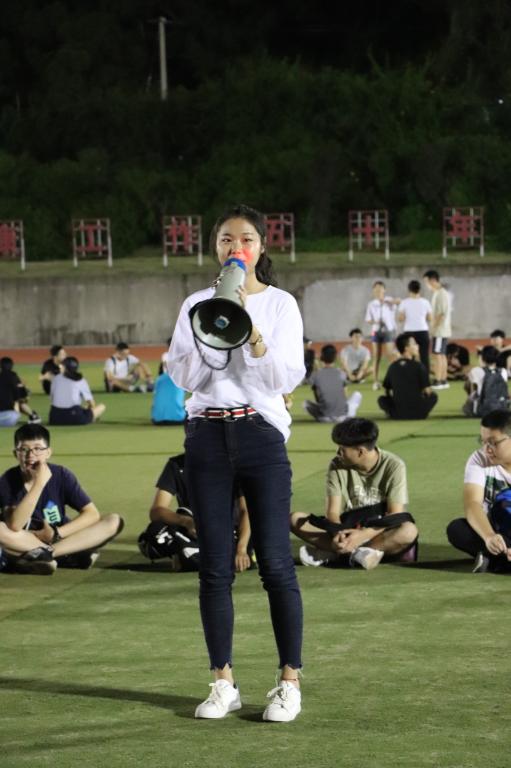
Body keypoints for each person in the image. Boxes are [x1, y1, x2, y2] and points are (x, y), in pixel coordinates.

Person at [167, 203, 305, 723]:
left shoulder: (281, 304)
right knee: (215, 566)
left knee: (276, 563)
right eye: (227, 239)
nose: (236, 247)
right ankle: (223, 682)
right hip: (206, 434)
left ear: (261, 247)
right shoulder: (196, 304)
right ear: (216, 247)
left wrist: (252, 333)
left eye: (246, 239)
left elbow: (283, 379)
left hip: (260, 434)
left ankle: (289, 682)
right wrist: (217, 327)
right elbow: (185, 376)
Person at [291, 418, 418, 570]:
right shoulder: (336, 464)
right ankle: (357, 554)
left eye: (342, 449)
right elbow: (332, 512)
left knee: (409, 531)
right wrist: (339, 534)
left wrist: (362, 535)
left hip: (377, 530)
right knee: (295, 519)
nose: (338, 453)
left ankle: (334, 554)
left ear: (360, 451)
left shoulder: (394, 465)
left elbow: (394, 513)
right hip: (346, 527)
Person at [0, 424, 124, 573]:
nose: (31, 455)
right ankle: (67, 555)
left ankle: (47, 555)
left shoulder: (61, 474)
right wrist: (39, 484)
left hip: (59, 538)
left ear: (48, 452)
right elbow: (15, 525)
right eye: (24, 449)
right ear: (16, 454)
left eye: (38, 449)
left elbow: (91, 513)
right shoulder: (7, 480)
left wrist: (56, 533)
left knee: (113, 521)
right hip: (25, 540)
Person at [138, 454, 254, 573]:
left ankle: (190, 556)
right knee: (154, 534)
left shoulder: (231, 464)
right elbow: (157, 510)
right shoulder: (178, 464)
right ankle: (206, 557)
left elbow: (246, 511)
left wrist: (242, 549)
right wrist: (187, 522)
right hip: (194, 532)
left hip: (229, 533)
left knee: (257, 532)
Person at [446, 409, 511, 573]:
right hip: (495, 532)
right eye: (483, 442)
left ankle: (495, 560)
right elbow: (473, 503)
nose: (487, 449)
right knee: (457, 529)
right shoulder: (479, 459)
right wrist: (489, 536)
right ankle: (500, 557)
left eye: (493, 442)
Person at [378, 333, 437, 420]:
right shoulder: (419, 366)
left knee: (381, 399)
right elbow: (428, 391)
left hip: (397, 414)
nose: (417, 346)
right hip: (418, 414)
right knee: (434, 396)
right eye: (414, 344)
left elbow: (387, 390)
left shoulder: (393, 366)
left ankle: (392, 412)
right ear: (406, 348)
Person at [303, 344, 362, 423]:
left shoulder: (316, 375)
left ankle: (326, 416)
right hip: (343, 416)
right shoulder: (341, 373)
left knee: (306, 404)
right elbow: (345, 396)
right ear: (335, 358)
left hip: (324, 417)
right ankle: (346, 415)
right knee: (357, 394)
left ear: (322, 357)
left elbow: (318, 398)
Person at [49, 356, 106, 425]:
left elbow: (52, 398)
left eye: (62, 366)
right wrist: (90, 412)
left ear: (65, 368)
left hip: (55, 418)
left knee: (82, 409)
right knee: (102, 406)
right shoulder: (81, 380)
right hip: (75, 417)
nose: (60, 367)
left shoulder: (56, 378)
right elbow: (91, 403)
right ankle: (92, 419)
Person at [364, 280, 399, 390]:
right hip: (376, 330)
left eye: (380, 288)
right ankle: (375, 381)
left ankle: (393, 380)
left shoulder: (389, 300)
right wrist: (375, 322)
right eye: (376, 289)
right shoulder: (371, 304)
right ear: (373, 291)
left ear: (384, 290)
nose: (378, 291)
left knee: (390, 355)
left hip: (389, 330)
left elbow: (399, 302)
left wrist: (389, 302)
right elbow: (368, 319)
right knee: (376, 356)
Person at [423, 270, 452, 390]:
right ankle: (443, 379)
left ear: (433, 280)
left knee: (437, 355)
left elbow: (441, 314)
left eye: (427, 282)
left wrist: (433, 327)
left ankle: (438, 380)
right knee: (442, 355)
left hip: (440, 330)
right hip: (441, 329)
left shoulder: (441, 294)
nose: (426, 285)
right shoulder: (438, 293)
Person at [462, 346, 509, 418]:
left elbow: (473, 391)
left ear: (482, 358)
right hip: (501, 408)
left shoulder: (476, 371)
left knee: (468, 390)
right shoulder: (503, 371)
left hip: (483, 409)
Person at [397, 280, 432, 373]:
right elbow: (430, 318)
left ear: (409, 290)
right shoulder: (425, 302)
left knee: (410, 355)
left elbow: (400, 319)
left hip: (409, 331)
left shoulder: (404, 302)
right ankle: (425, 377)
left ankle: (410, 376)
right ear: (419, 290)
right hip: (423, 330)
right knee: (424, 356)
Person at [0, 357, 41, 428]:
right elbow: (22, 395)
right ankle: (34, 416)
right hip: (12, 416)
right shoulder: (14, 377)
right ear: (12, 366)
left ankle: (33, 416)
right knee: (20, 402)